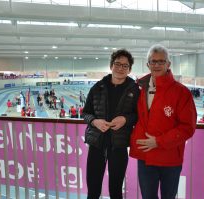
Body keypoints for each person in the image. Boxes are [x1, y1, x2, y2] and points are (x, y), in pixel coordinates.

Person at [129, 44, 197, 199]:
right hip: (145, 156)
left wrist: (159, 141)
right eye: (153, 62)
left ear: (168, 64)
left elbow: (188, 127)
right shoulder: (139, 89)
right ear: (148, 65)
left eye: (161, 61)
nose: (157, 65)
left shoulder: (181, 92)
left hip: (170, 157)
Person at [83, 49, 140, 199]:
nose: (121, 68)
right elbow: (86, 113)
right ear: (111, 65)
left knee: (116, 190)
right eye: (117, 64)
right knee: (93, 189)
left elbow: (138, 116)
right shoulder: (98, 87)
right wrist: (95, 121)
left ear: (129, 69)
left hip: (119, 146)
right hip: (97, 144)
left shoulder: (135, 90)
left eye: (125, 66)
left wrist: (125, 120)